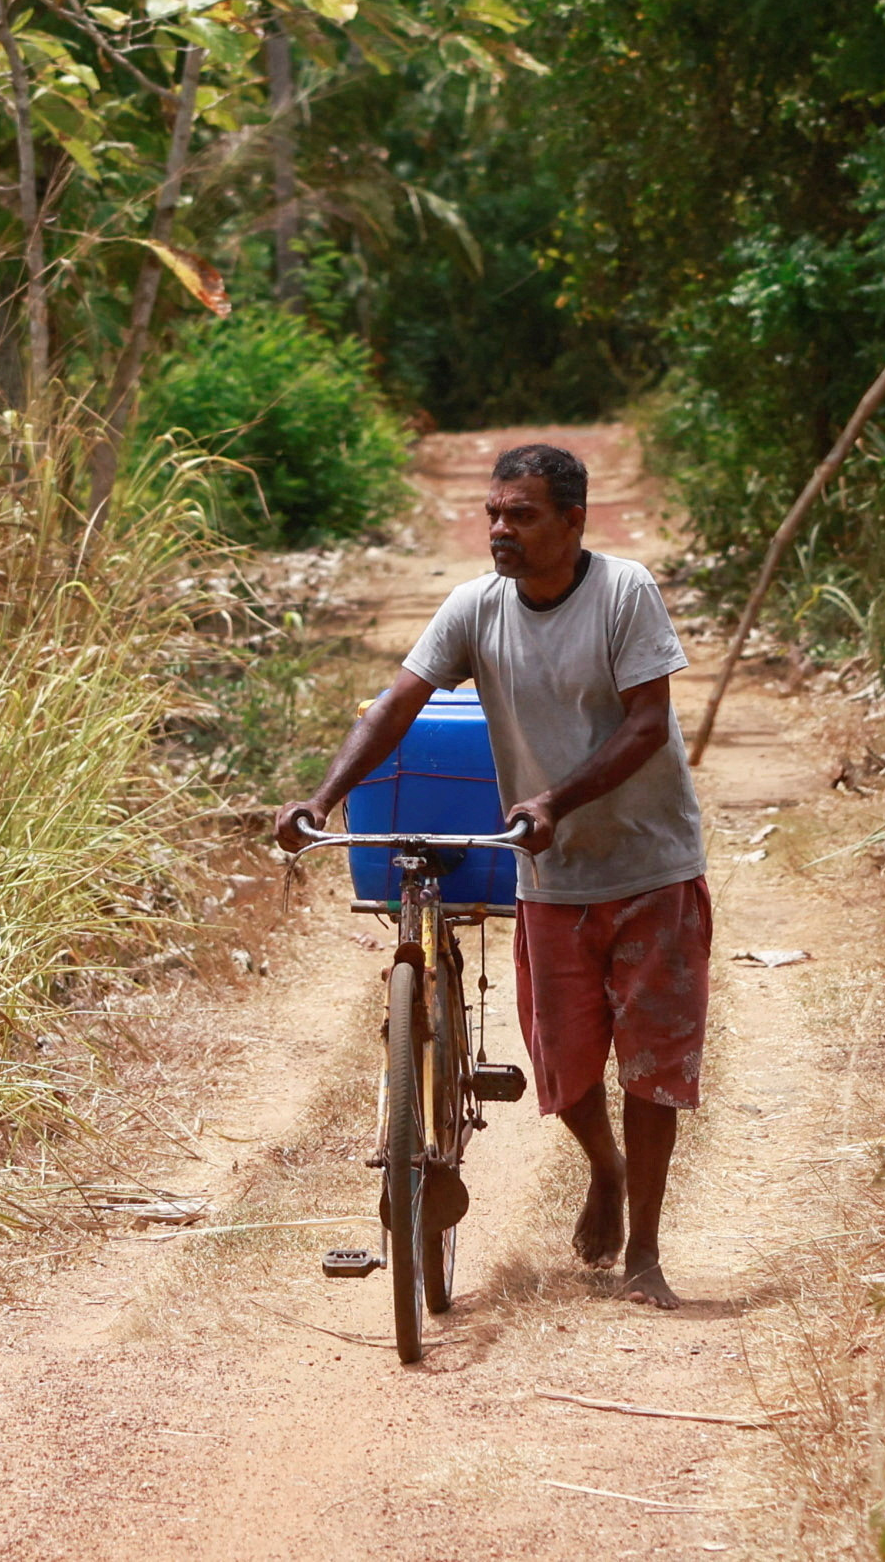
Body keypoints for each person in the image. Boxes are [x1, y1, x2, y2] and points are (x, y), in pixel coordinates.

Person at [276, 439, 710, 1308]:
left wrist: (553, 800)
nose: (502, 530)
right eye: (494, 514)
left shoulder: (623, 593)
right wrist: (320, 801)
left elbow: (647, 725)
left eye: (523, 515)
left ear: (572, 521)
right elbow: (398, 702)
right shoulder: (476, 607)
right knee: (568, 1072)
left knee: (650, 1069)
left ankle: (646, 1259)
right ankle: (606, 1170)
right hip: (549, 875)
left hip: (649, 864)